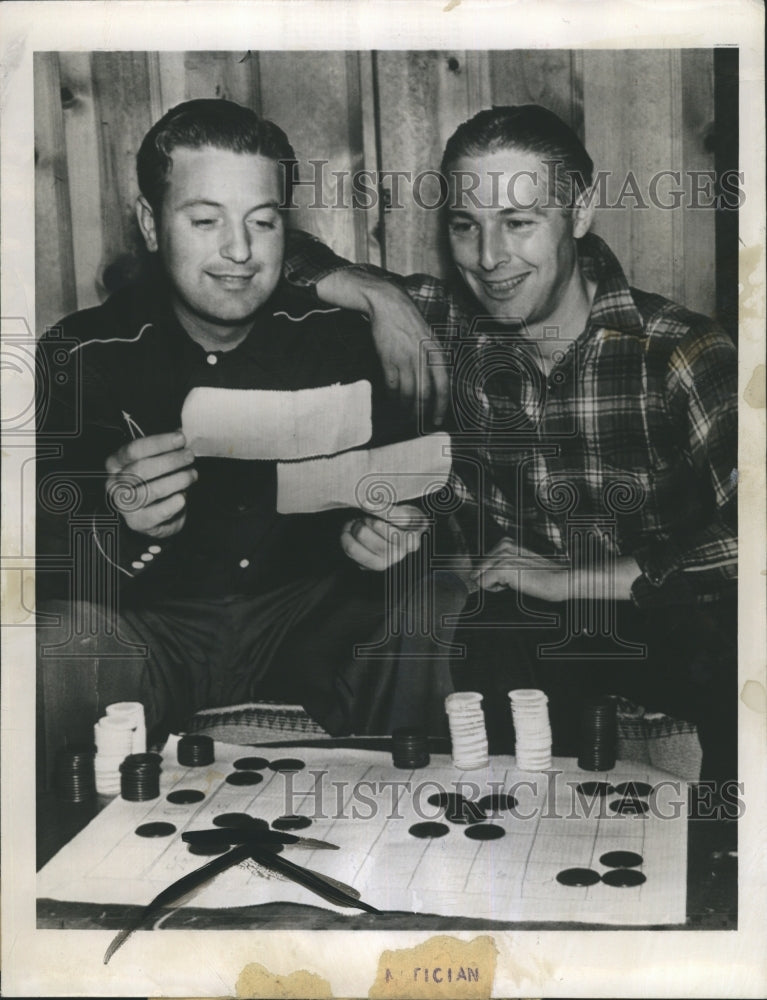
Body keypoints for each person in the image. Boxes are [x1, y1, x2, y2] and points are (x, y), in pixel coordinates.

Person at [300, 105, 738, 788]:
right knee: (484, 621)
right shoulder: (440, 322)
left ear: (579, 211)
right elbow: (269, 265)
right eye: (464, 226)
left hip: (665, 623)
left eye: (518, 223)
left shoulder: (677, 350)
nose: (488, 258)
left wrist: (575, 579)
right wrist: (379, 298)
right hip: (519, 635)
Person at [35, 98, 446, 786]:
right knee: (45, 645)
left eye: (262, 221)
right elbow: (42, 554)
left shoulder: (339, 341)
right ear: (150, 224)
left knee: (438, 595)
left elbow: (432, 486)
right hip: (149, 627)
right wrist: (117, 520)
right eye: (204, 221)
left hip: (306, 620)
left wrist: (399, 531)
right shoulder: (84, 352)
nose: (239, 250)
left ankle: (418, 846)